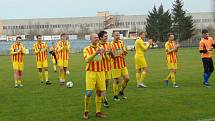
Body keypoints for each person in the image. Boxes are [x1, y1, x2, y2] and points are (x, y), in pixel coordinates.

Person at [83, 33, 106, 119]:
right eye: (95, 37)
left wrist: (107, 53)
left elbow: (105, 59)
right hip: (91, 73)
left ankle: (98, 111)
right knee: (89, 93)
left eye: (97, 37)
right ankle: (86, 111)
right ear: (91, 39)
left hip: (100, 72)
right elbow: (87, 60)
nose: (97, 39)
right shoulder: (86, 49)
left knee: (99, 92)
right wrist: (95, 53)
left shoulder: (101, 48)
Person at [110, 31, 130, 101]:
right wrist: (115, 54)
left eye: (118, 35)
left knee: (127, 79)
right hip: (115, 65)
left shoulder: (121, 42)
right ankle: (115, 96)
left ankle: (121, 92)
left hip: (123, 64)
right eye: (116, 35)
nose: (118, 36)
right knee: (117, 81)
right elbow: (111, 55)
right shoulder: (111, 44)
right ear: (113, 36)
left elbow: (124, 51)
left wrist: (125, 52)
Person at [98, 31, 114, 108]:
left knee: (106, 83)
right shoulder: (97, 45)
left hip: (108, 67)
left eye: (107, 36)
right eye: (105, 36)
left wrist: (111, 53)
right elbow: (96, 57)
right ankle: (104, 100)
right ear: (100, 37)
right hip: (100, 68)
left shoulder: (109, 44)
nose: (107, 37)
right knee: (102, 84)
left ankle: (103, 95)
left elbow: (113, 56)